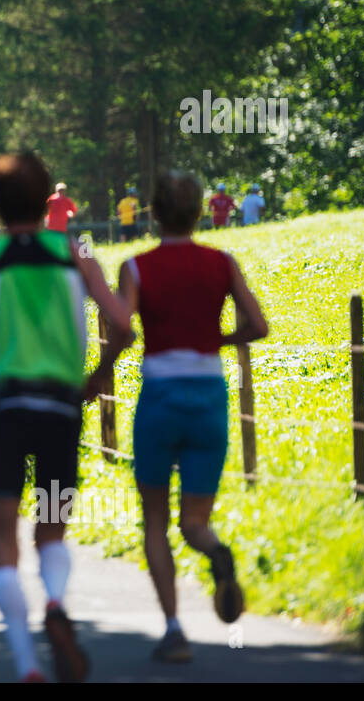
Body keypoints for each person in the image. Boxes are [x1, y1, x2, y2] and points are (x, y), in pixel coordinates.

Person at [0, 152, 131, 683]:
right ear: (50, 200)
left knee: (3, 534)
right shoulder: (75, 253)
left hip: (6, 408)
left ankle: (26, 664)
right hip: (61, 409)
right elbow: (123, 326)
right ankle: (54, 602)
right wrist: (98, 374)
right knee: (52, 525)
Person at [104, 170, 268, 664]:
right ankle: (216, 552)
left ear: (152, 213)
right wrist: (216, 340)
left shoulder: (136, 268)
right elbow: (257, 325)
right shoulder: (222, 262)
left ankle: (175, 630)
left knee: (154, 518)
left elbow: (122, 330)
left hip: (159, 398)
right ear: (200, 211)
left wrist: (100, 373)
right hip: (208, 396)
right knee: (195, 521)